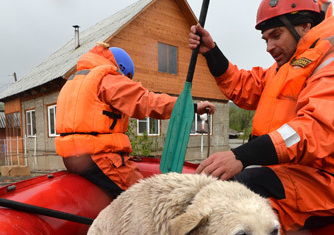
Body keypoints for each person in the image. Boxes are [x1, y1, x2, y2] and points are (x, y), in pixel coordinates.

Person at [189, 0, 334, 235]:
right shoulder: (284, 67)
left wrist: (241, 155)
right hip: (295, 172)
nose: (269, 46)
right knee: (228, 183)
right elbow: (245, 87)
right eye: (266, 38)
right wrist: (212, 52)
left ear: (304, 26)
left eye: (276, 35)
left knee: (246, 186)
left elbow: (314, 130)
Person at [56, 42, 215, 198]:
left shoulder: (73, 82)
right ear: (122, 70)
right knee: (143, 200)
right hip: (99, 156)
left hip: (70, 159)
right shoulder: (108, 78)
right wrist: (191, 107)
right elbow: (146, 101)